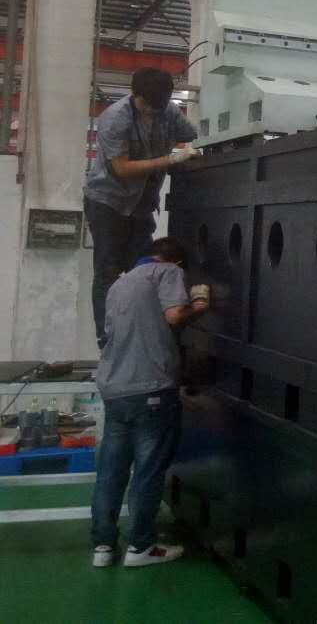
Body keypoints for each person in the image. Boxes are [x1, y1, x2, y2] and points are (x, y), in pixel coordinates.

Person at [90, 237, 209, 568]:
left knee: (111, 471)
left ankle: (103, 546)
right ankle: (141, 546)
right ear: (175, 261)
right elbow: (174, 315)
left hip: (115, 388)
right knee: (148, 470)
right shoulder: (168, 272)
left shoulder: (119, 284)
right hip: (151, 388)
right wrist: (199, 305)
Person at [84, 67, 199, 349]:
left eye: (158, 107)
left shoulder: (167, 111)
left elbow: (191, 133)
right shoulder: (115, 118)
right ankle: (107, 337)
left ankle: (149, 331)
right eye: (147, 106)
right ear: (134, 95)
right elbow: (122, 169)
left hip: (141, 206)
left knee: (148, 266)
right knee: (108, 270)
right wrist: (169, 160)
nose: (152, 112)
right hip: (108, 203)